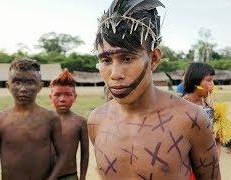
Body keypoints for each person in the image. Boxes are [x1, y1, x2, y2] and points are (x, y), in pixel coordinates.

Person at [88, 0, 221, 179]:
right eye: (106, 61)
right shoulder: (96, 120)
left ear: (154, 58)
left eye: (127, 58)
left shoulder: (191, 119)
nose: (115, 74)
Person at [0, 58, 66, 180]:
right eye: (17, 82)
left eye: (30, 82)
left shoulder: (51, 119)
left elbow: (62, 155)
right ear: (8, 86)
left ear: (40, 86)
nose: (23, 89)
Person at [49, 69, 89, 180]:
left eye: (68, 95)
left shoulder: (80, 122)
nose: (62, 99)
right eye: (57, 95)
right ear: (50, 97)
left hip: (70, 176)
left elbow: (85, 154)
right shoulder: (43, 120)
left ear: (75, 97)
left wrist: (82, 177)